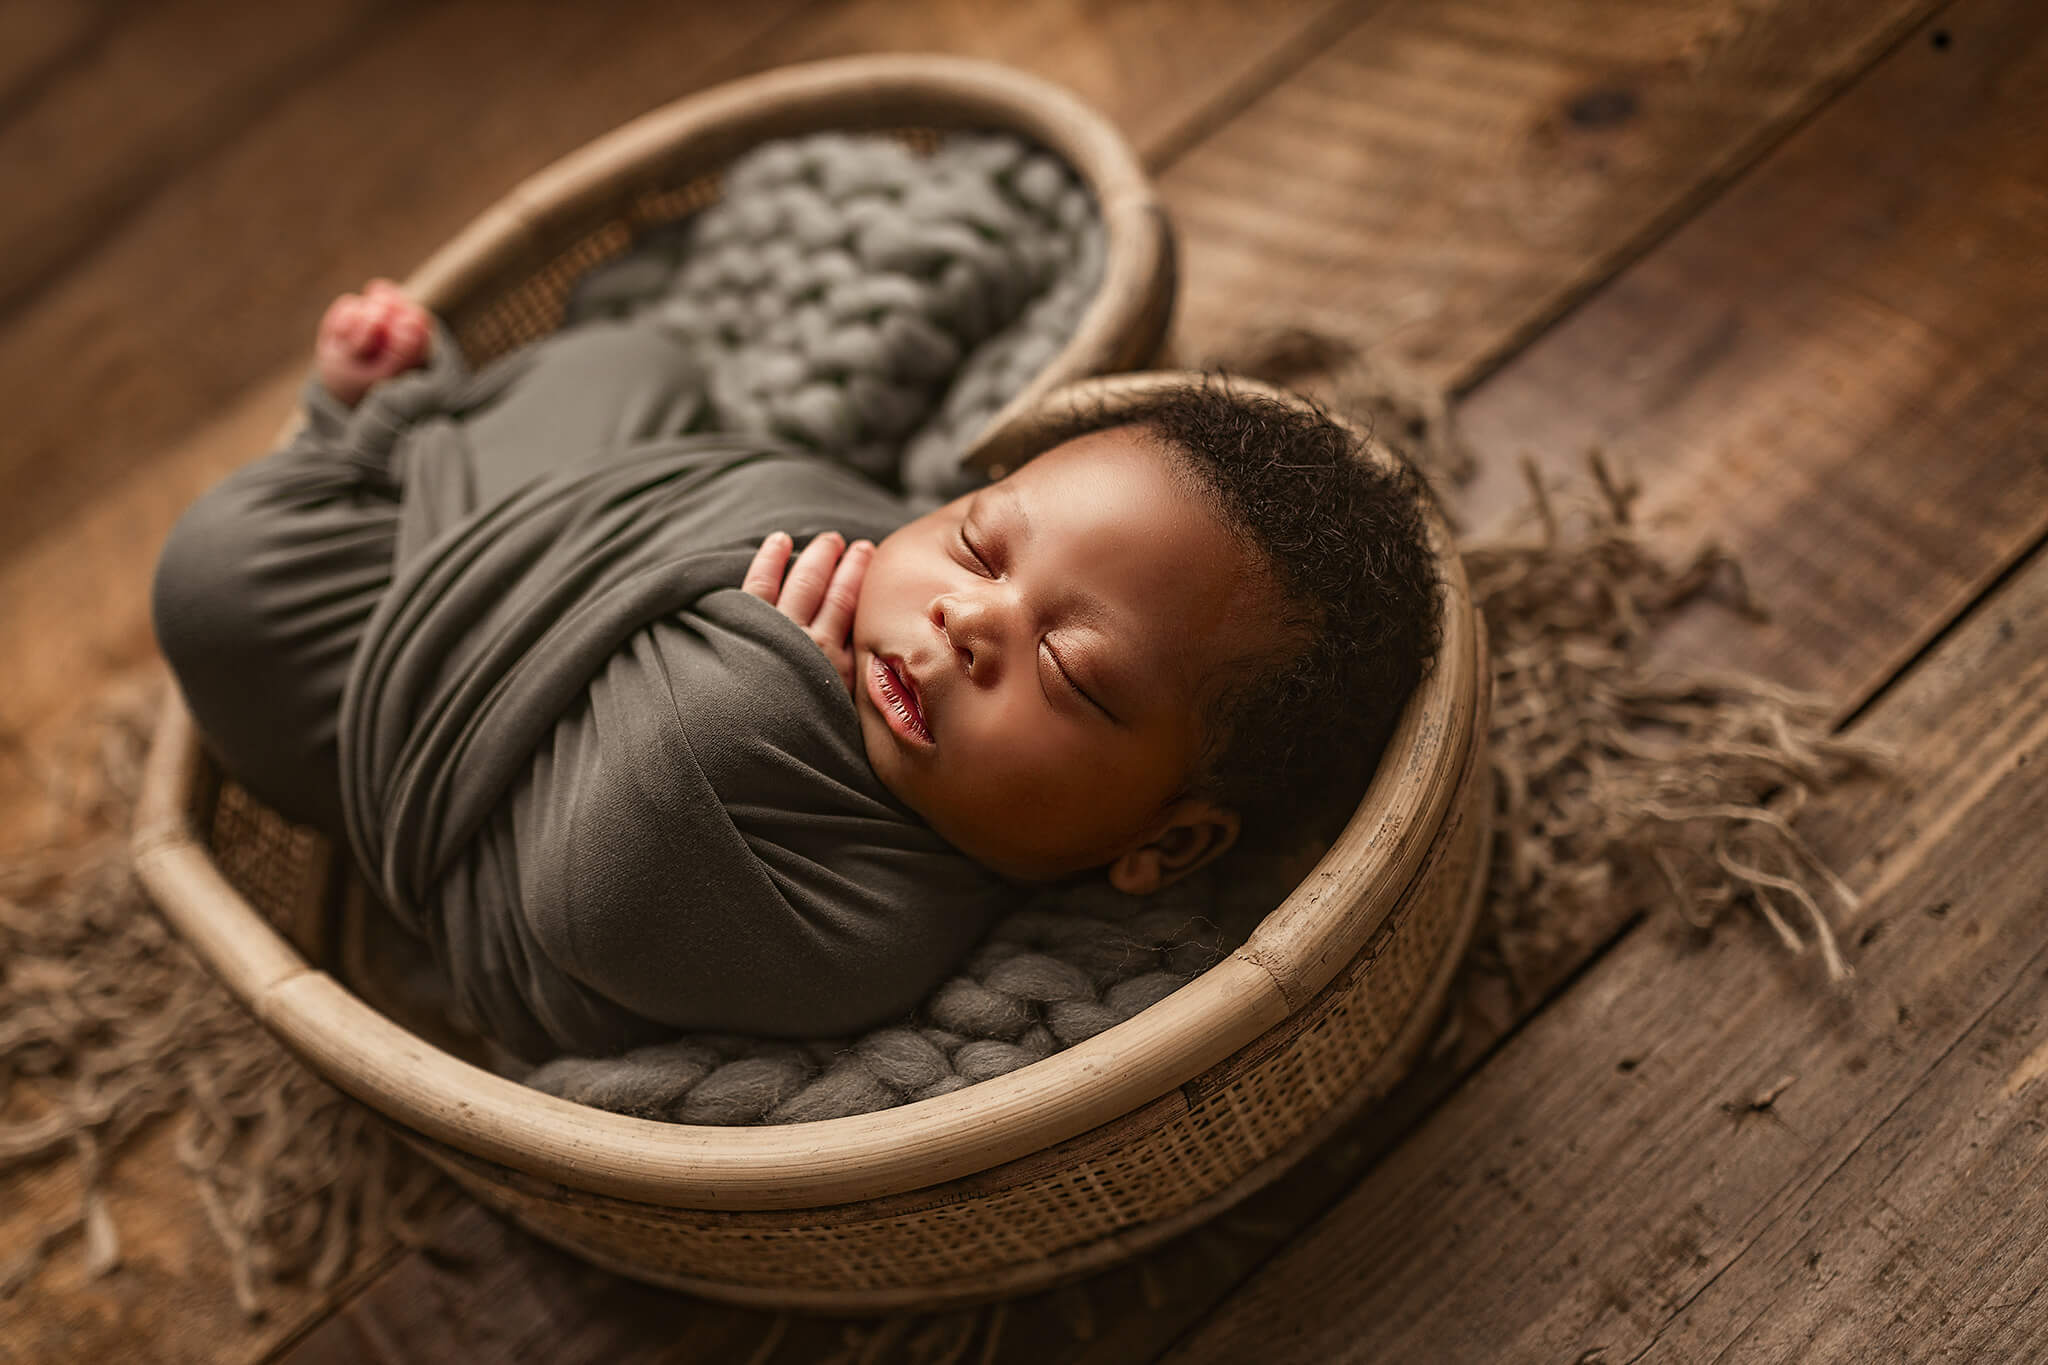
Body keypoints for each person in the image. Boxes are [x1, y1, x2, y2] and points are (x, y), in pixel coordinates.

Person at [152, 279, 1441, 1061]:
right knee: (631, 367)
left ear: (1164, 841)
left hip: (434, 731)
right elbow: (738, 485)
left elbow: (598, 887)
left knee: (219, 580)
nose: (970, 620)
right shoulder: (877, 548)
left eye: (1068, 667)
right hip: (554, 533)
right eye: (981, 541)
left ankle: (370, 451)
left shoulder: (872, 927)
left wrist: (755, 686)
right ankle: (401, 433)